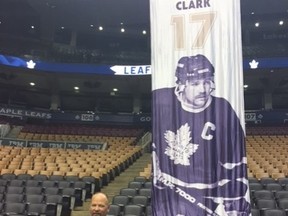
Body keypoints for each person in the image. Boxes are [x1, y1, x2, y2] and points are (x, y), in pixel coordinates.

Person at [152, 54, 250, 215]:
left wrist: (234, 202)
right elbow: (155, 144)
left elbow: (235, 162)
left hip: (207, 195)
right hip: (168, 192)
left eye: (206, 82)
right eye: (195, 83)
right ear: (181, 85)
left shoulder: (223, 110)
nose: (203, 89)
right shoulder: (160, 100)